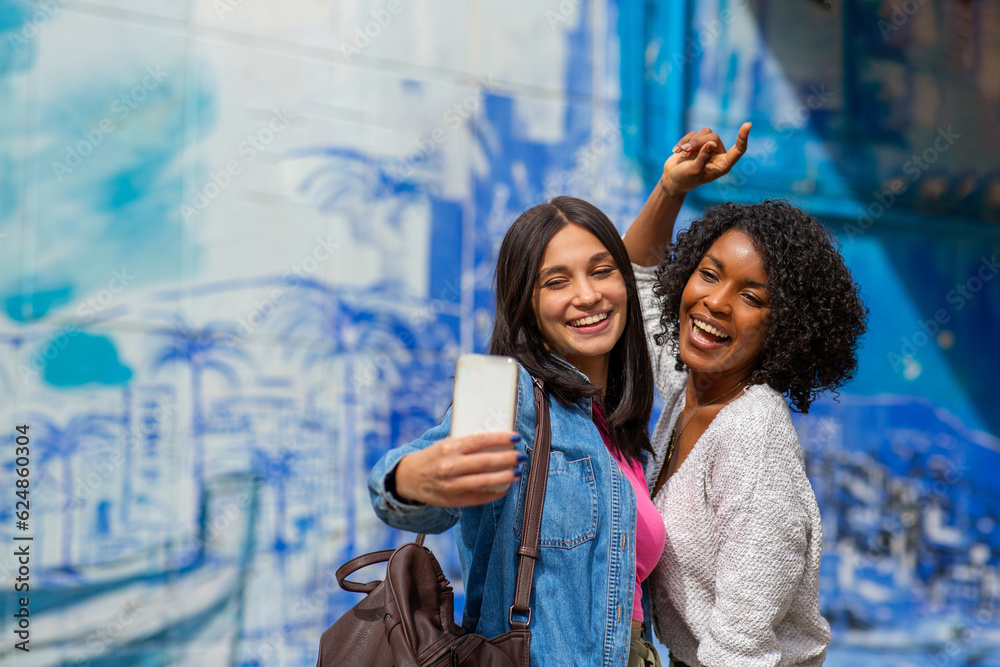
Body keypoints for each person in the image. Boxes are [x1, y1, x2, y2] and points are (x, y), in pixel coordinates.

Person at [369, 196, 670, 665]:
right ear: (526, 304)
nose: (587, 295)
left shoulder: (620, 431)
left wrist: (671, 189)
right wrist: (408, 480)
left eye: (602, 271)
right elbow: (408, 484)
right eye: (557, 281)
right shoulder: (517, 401)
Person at [623, 125, 869, 666]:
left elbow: (740, 652)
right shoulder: (692, 387)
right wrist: (671, 187)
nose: (715, 302)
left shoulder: (751, 437)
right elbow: (636, 280)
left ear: (784, 328)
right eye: (709, 274)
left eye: (751, 297)